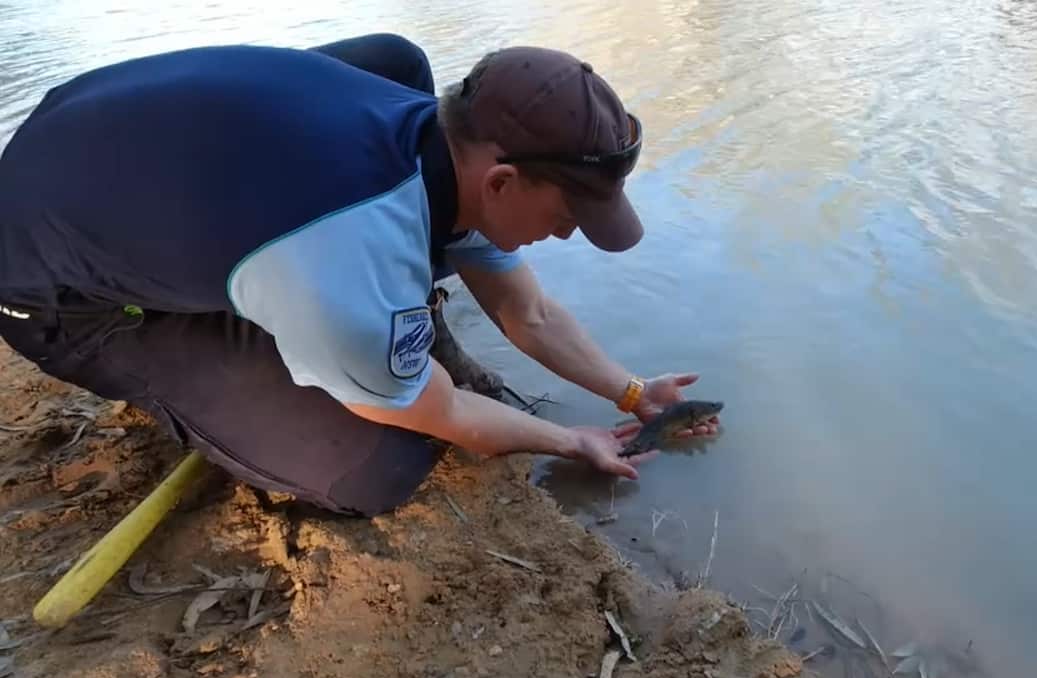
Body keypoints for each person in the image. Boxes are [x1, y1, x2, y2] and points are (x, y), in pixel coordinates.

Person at [0, 33, 718, 517]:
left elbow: (526, 313)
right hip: (53, 287)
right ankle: (184, 353)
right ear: (500, 180)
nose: (567, 234)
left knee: (394, 57)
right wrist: (572, 439)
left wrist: (629, 392)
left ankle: (256, 289)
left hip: (101, 139)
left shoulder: (432, 131)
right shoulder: (348, 247)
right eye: (567, 215)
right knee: (377, 466)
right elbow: (451, 416)